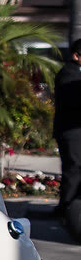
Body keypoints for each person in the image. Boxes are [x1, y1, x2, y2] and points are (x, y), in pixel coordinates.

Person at [53, 39, 81, 218]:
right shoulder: (69, 74)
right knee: (74, 170)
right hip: (71, 132)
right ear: (76, 56)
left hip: (73, 131)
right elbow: (74, 101)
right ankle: (67, 210)